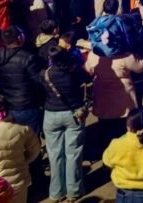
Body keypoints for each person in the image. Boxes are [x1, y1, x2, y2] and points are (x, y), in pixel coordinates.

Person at [38, 46, 90, 203]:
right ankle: (73, 191)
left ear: (51, 59)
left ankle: (56, 193)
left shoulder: (44, 74)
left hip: (51, 114)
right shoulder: (74, 72)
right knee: (73, 154)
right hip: (73, 114)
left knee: (54, 155)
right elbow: (87, 80)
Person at [0, 27, 42, 129]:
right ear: (20, 37)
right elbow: (38, 81)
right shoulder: (28, 57)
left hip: (7, 104)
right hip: (27, 105)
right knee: (31, 140)